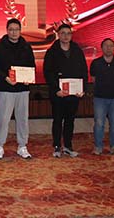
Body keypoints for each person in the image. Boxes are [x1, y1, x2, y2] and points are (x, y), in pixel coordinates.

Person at [0, 18, 36, 160]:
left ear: (20, 31)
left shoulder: (26, 47)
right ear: (7, 30)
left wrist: (29, 78)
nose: (14, 32)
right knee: (3, 119)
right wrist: (5, 78)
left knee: (22, 119)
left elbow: (32, 65)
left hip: (23, 89)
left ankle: (22, 146)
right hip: (5, 88)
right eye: (11, 29)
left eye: (16, 29)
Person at [43, 23, 88, 158]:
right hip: (58, 94)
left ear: (71, 35)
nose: (66, 36)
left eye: (68, 33)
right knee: (57, 120)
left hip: (73, 93)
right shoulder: (52, 51)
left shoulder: (77, 50)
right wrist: (56, 90)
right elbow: (48, 72)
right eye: (63, 33)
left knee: (70, 120)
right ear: (58, 35)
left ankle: (68, 146)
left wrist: (82, 89)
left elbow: (84, 71)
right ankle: (57, 146)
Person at [90, 38, 114, 156]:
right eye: (106, 46)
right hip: (100, 98)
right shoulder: (96, 63)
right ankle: (98, 147)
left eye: (111, 45)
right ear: (101, 48)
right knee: (99, 123)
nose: (108, 48)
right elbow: (93, 78)